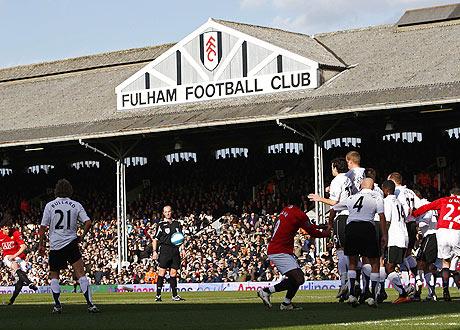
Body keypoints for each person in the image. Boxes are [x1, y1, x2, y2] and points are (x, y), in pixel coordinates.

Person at [257, 193, 330, 311]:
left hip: (278, 248)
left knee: (295, 278)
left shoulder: (286, 210)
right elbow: (313, 233)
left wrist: (318, 226)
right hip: (280, 250)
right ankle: (266, 291)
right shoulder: (300, 214)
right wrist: (327, 233)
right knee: (299, 279)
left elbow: (303, 225)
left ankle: (286, 304)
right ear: (303, 203)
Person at [38, 179, 99, 313]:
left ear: (56, 190)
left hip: (55, 245)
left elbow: (42, 227)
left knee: (54, 275)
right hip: (71, 243)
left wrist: (41, 244)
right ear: (70, 190)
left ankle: (57, 305)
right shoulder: (76, 205)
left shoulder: (50, 205)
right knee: (81, 274)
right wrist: (81, 237)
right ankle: (90, 304)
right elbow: (88, 222)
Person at [331, 178, 387, 307]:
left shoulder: (352, 197)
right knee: (374, 262)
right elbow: (382, 216)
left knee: (352, 261)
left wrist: (330, 223)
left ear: (361, 186)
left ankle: (351, 295)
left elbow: (334, 207)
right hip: (368, 227)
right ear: (372, 187)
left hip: (351, 227)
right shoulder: (377, 197)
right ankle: (372, 296)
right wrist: (384, 234)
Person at [309, 157, 352, 301]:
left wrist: (319, 198)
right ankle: (351, 284)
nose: (331, 169)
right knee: (351, 251)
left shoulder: (337, 181)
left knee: (341, 250)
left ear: (335, 167)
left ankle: (344, 283)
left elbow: (334, 202)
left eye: (332, 167)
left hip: (342, 217)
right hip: (353, 216)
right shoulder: (349, 178)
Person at [412, 187, 460, 302]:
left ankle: (445, 290)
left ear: (451, 194)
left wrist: (414, 214)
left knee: (445, 262)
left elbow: (426, 207)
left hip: (442, 232)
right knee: (455, 263)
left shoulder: (444, 200)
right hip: (456, 231)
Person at [381, 180, 413, 304]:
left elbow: (387, 221)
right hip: (403, 236)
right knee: (392, 265)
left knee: (389, 267)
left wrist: (383, 237)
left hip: (394, 238)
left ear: (386, 190)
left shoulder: (387, 201)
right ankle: (381, 291)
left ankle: (403, 294)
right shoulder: (398, 201)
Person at [388, 172, 421, 279]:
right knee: (407, 254)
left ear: (392, 181)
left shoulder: (397, 192)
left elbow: (404, 210)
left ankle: (408, 282)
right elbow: (420, 205)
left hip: (403, 225)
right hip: (412, 225)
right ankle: (417, 278)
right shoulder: (410, 191)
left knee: (401, 256)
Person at [0, 218, 37, 305]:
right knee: (15, 265)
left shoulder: (15, 232)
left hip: (19, 256)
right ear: (1, 228)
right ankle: (30, 283)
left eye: (9, 228)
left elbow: (23, 247)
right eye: (6, 229)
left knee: (20, 280)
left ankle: (11, 300)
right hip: (8, 256)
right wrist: (10, 256)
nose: (8, 230)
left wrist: (15, 256)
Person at [152, 205, 185, 302]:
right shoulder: (161, 224)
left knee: (173, 273)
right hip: (165, 250)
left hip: (175, 250)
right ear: (163, 213)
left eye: (169, 211)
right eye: (166, 212)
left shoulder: (177, 223)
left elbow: (180, 238)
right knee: (161, 272)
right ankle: (158, 295)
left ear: (172, 212)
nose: (168, 213)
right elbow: (155, 239)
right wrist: (154, 251)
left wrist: (182, 249)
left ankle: (174, 295)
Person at [412, 192, 438, 302]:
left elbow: (424, 222)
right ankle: (431, 294)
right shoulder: (430, 205)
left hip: (430, 237)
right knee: (426, 266)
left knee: (419, 264)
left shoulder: (425, 206)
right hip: (431, 237)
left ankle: (418, 292)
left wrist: (415, 222)